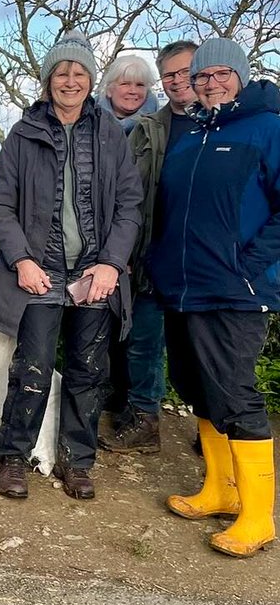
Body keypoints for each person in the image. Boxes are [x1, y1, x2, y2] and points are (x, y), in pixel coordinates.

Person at [0, 31, 142, 501]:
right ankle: (13, 457)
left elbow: (130, 205)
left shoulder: (110, 134)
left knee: (88, 371)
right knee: (32, 367)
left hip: (94, 272)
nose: (70, 81)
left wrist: (111, 264)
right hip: (40, 271)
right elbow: (0, 204)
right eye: (61, 72)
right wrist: (22, 260)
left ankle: (78, 462)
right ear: (48, 79)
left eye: (79, 73)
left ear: (91, 80)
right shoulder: (24, 133)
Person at [150, 37, 280, 558]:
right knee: (197, 388)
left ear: (241, 77)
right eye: (202, 76)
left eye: (221, 73)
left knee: (234, 393)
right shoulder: (193, 136)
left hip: (236, 290)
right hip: (184, 288)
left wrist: (248, 266)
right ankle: (220, 490)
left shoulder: (268, 128)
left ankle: (259, 517)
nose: (210, 83)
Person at [102, 41, 200, 453]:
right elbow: (127, 194)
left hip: (202, 257)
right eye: (170, 74)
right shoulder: (149, 127)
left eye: (186, 72)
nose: (178, 81)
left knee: (202, 348)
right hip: (152, 253)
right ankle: (145, 419)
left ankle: (216, 426)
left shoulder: (221, 124)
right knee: (143, 342)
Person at [97, 53, 160, 134]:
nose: (133, 91)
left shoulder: (160, 125)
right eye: (125, 84)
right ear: (109, 89)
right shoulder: (88, 120)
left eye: (140, 85)